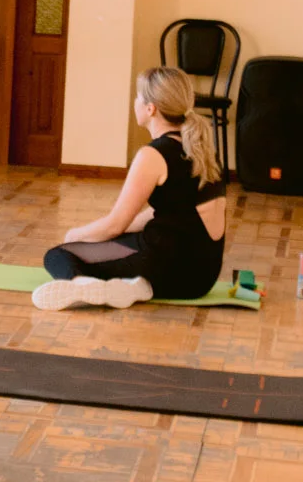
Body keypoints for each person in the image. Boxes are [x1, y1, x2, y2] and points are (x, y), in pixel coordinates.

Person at [33, 66, 227, 310]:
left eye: (138, 97)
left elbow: (116, 223)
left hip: (168, 266)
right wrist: (115, 237)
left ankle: (84, 285)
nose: (134, 102)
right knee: (121, 241)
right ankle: (137, 286)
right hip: (201, 278)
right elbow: (169, 213)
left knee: (59, 255)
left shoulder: (153, 154)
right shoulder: (204, 152)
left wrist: (76, 235)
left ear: (150, 108)